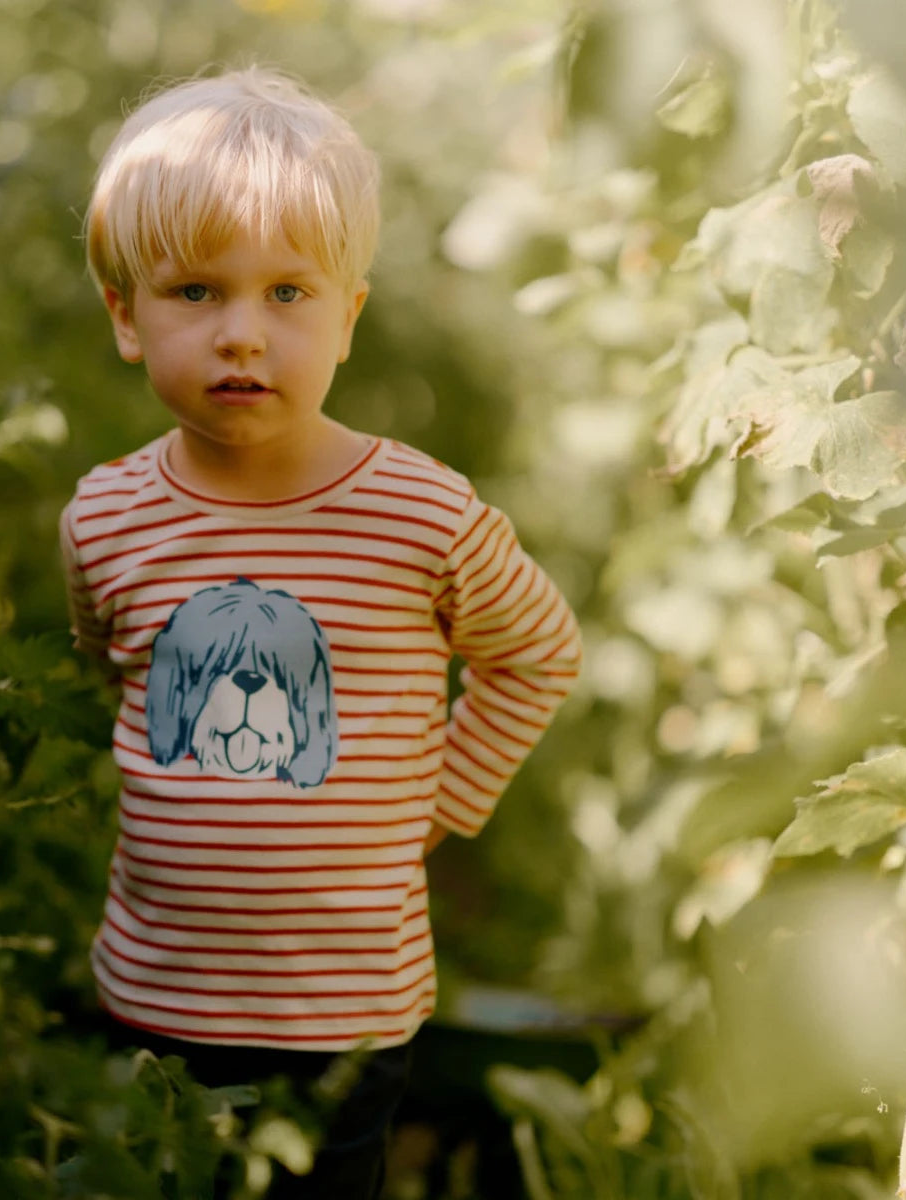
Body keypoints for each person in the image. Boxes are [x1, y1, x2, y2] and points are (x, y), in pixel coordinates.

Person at [60, 64, 582, 1199]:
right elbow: (107, 672)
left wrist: (437, 806)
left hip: (344, 1007)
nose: (243, 335)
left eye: (288, 294)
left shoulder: (419, 514)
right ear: (124, 316)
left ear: (349, 314)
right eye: (195, 292)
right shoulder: (105, 515)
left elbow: (537, 652)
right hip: (153, 991)